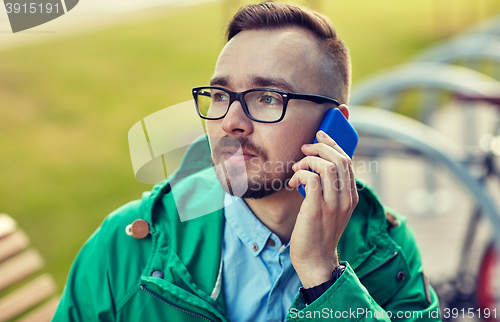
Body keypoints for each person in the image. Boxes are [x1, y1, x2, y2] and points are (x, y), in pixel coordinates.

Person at [52, 1, 441, 321]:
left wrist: (324, 277)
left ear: (333, 124)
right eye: (221, 96)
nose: (230, 122)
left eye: (268, 98)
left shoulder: (388, 253)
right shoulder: (126, 248)